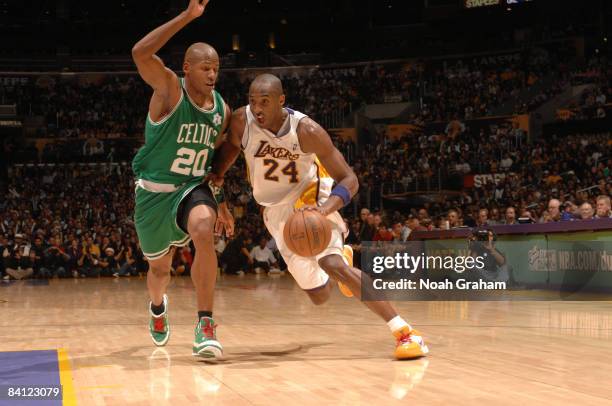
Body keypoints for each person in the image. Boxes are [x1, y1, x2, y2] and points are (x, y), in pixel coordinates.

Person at [212, 73, 428, 359]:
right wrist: (221, 202)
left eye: (265, 102)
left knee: (331, 263)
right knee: (319, 296)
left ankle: (405, 332)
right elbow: (219, 168)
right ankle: (341, 261)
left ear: (281, 100)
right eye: (253, 102)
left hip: (311, 198)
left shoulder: (307, 130)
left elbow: (349, 179)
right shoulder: (242, 121)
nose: (258, 109)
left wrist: (325, 210)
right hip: (275, 212)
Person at [131, 0, 234, 358]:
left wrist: (221, 202)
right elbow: (140, 53)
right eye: (205, 67)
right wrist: (187, 17)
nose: (212, 75)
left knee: (204, 231)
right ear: (187, 68)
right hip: (153, 195)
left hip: (191, 189)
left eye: (216, 69)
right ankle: (157, 307)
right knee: (160, 271)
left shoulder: (222, 110)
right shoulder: (169, 90)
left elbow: (212, 163)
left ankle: (206, 324)